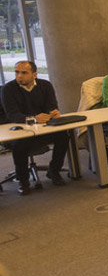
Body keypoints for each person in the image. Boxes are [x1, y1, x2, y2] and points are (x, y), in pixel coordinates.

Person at [1, 61, 69, 195]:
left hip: (42, 129)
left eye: (24, 73)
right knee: (20, 143)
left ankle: (54, 171)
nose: (19, 76)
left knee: (63, 136)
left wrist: (53, 112)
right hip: (16, 130)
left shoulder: (45, 85)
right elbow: (13, 115)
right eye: (16, 72)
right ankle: (23, 180)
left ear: (34, 74)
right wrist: (34, 119)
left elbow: (51, 105)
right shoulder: (8, 89)